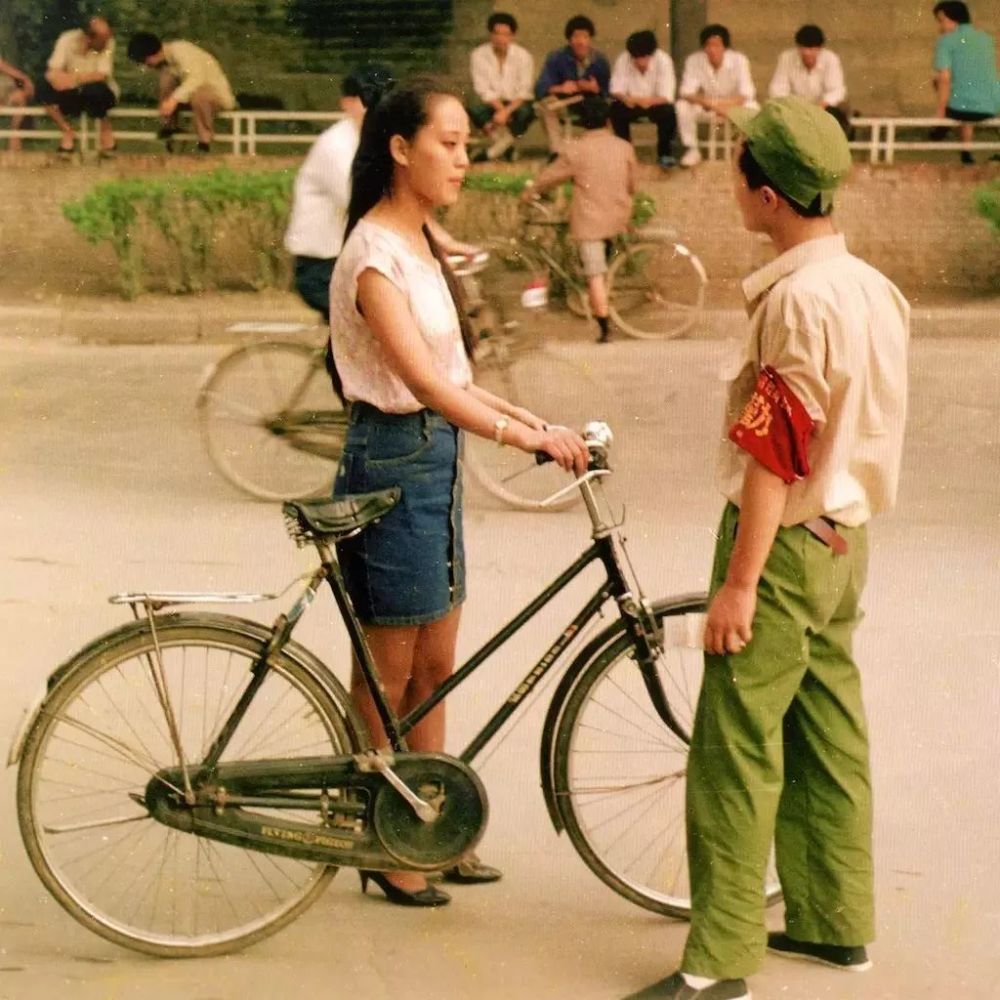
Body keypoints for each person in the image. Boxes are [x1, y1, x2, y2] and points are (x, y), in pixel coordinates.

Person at [626, 96, 908, 1000]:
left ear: (772, 194)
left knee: (736, 747)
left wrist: (739, 586)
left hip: (785, 547)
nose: (733, 180)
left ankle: (717, 961)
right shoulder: (872, 287)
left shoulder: (795, 301)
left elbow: (773, 456)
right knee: (830, 732)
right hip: (847, 541)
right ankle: (834, 924)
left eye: (741, 167)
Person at [328, 77, 589, 906]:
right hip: (391, 464)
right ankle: (386, 834)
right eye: (449, 143)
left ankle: (431, 817)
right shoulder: (373, 255)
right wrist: (522, 438)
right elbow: (423, 384)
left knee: (436, 664)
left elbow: (458, 375)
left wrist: (534, 418)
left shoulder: (421, 245)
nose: (463, 159)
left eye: (468, 143)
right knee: (388, 669)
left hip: (433, 461)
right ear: (400, 149)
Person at [284, 65, 397, 328]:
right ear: (347, 104)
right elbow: (368, 206)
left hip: (348, 261)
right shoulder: (336, 147)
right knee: (390, 327)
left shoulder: (374, 142)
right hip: (321, 269)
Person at [521, 96, 636, 344]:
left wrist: (529, 192)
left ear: (583, 123)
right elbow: (632, 184)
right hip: (619, 216)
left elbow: (549, 178)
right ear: (608, 121)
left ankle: (605, 329)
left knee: (594, 274)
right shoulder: (624, 147)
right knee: (602, 266)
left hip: (591, 222)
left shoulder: (576, 149)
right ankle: (604, 297)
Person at [126, 33, 236, 153]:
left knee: (199, 96)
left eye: (144, 61)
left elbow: (195, 79)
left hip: (214, 94)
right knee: (166, 80)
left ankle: (204, 142)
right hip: (192, 96)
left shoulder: (181, 51)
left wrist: (173, 100)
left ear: (152, 55)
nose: (146, 66)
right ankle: (169, 127)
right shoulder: (166, 61)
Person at [37, 16, 118, 159]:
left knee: (95, 90)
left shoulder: (109, 44)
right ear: (88, 37)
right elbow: (53, 70)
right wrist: (59, 79)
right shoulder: (66, 39)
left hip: (97, 90)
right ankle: (67, 131)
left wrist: (73, 78)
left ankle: (106, 136)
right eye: (103, 39)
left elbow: (102, 75)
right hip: (71, 91)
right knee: (43, 86)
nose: (107, 41)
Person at [675, 24, 756, 167]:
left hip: (733, 106)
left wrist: (725, 107)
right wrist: (712, 105)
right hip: (708, 106)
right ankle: (693, 149)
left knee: (753, 107)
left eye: (717, 45)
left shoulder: (739, 60)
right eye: (708, 45)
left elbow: (746, 93)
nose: (712, 50)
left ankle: (748, 154)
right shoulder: (694, 60)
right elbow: (686, 92)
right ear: (703, 47)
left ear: (725, 46)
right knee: (682, 106)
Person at [931, 1, 999, 165]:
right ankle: (966, 152)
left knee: (940, 83)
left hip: (963, 109)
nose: (940, 26)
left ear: (953, 19)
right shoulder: (985, 38)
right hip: (992, 107)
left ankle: (964, 148)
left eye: (942, 20)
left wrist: (939, 114)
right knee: (969, 91)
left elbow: (945, 79)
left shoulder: (946, 41)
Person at [535, 15, 611, 154]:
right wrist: (561, 88)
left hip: (590, 104)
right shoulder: (556, 57)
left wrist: (595, 88)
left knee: (608, 108)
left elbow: (608, 92)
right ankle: (558, 152)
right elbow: (540, 88)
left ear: (590, 40)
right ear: (569, 40)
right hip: (565, 103)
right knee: (544, 106)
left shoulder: (599, 60)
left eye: (585, 37)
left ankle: (602, 151)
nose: (581, 42)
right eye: (576, 37)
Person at [468, 12, 535, 162]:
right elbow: (482, 89)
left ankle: (491, 153)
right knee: (474, 108)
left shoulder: (523, 56)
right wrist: (501, 110)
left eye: (506, 34)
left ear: (512, 36)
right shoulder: (478, 55)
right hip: (493, 102)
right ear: (490, 34)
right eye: (496, 33)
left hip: (515, 104)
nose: (501, 39)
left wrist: (507, 111)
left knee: (528, 111)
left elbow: (525, 91)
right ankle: (507, 148)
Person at [609, 30, 677, 169]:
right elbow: (616, 90)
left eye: (644, 57)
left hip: (655, 104)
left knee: (669, 112)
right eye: (635, 58)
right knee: (616, 109)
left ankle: (664, 154)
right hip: (632, 103)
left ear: (652, 54)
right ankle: (625, 153)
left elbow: (667, 96)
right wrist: (630, 99)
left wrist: (647, 101)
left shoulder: (664, 60)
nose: (639, 62)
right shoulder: (624, 59)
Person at [769, 25, 850, 134]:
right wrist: (794, 108)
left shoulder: (831, 59)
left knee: (836, 114)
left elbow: (837, 90)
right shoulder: (786, 58)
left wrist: (820, 107)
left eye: (811, 49)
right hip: (794, 110)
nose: (807, 53)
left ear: (820, 49)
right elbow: (777, 89)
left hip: (823, 109)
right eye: (803, 48)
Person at [0, 55, 34, 152]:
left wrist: (25, 79)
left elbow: (2, 66)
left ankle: (14, 135)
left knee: (20, 97)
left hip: (4, 94)